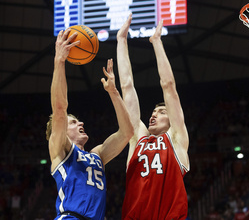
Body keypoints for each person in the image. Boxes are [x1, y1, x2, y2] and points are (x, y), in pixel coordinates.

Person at [46, 28, 133, 220]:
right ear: (60, 131)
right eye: (74, 122)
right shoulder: (61, 150)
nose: (81, 123)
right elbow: (60, 109)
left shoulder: (97, 155)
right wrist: (59, 61)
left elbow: (127, 133)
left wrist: (114, 93)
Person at [116, 14, 190, 219]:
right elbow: (127, 87)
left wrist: (156, 42)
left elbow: (169, 86)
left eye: (162, 112)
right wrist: (121, 41)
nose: (154, 115)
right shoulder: (137, 139)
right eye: (153, 112)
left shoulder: (177, 140)